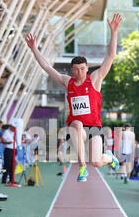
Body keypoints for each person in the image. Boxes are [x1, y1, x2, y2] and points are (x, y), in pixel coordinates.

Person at [25, 14, 123, 182]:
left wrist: (114, 31)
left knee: (97, 162)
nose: (80, 72)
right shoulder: (67, 82)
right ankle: (82, 167)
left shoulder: (95, 79)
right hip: (77, 128)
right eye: (76, 69)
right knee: (77, 125)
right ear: (72, 70)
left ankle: (109, 157)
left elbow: (111, 56)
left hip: (94, 127)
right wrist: (34, 48)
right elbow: (48, 67)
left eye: (83, 68)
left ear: (87, 68)